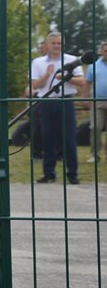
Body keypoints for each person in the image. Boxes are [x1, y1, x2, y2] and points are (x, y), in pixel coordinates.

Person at [31, 31, 84, 184]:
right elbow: (34, 85)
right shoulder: (38, 62)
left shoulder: (72, 60)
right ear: (47, 45)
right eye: (53, 43)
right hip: (46, 101)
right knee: (47, 137)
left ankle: (72, 174)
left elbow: (81, 82)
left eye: (59, 43)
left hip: (65, 101)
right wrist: (47, 76)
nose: (56, 46)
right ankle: (49, 174)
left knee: (69, 138)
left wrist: (67, 77)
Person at [84, 41, 107, 162]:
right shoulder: (93, 65)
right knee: (95, 128)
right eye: (106, 51)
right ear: (101, 51)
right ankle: (95, 154)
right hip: (97, 101)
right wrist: (86, 98)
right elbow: (87, 82)